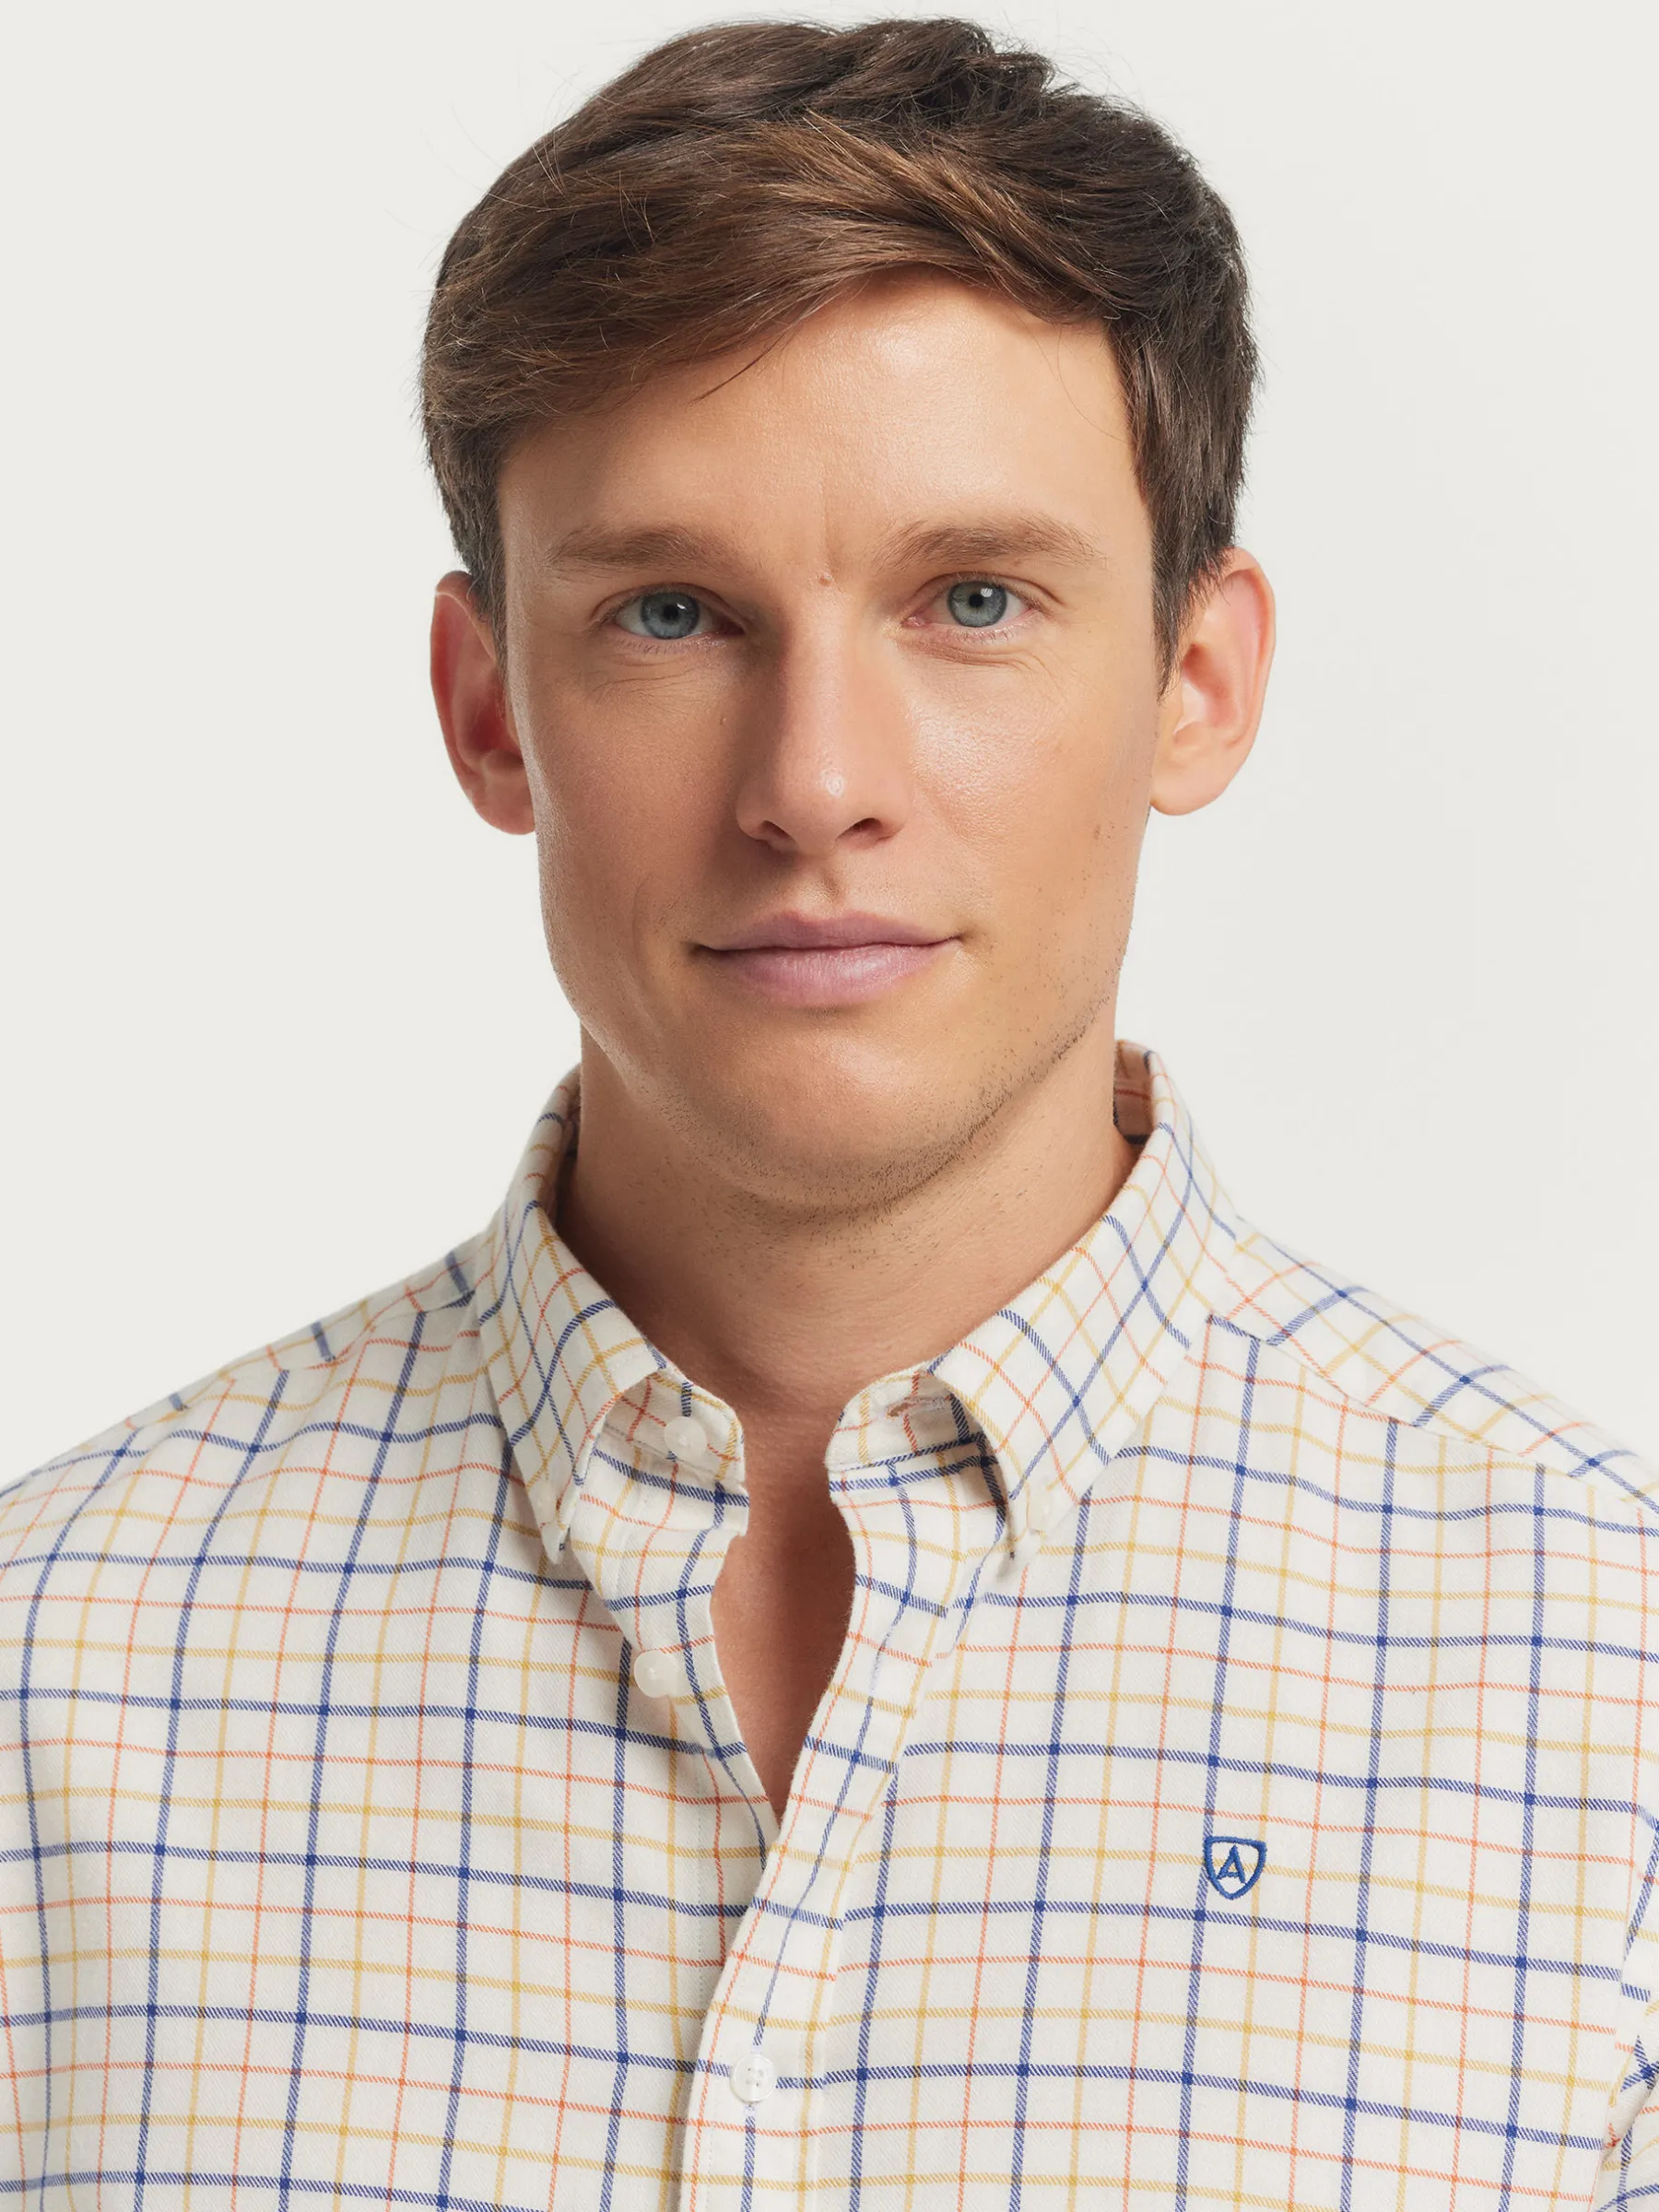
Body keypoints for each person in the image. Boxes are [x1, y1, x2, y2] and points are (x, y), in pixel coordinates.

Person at [2, 16, 1652, 2206]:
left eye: (973, 601)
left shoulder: (1612, 1706)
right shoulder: (44, 1688)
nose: (814, 785)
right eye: (672, 614)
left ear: (1196, 679)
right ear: (491, 711)